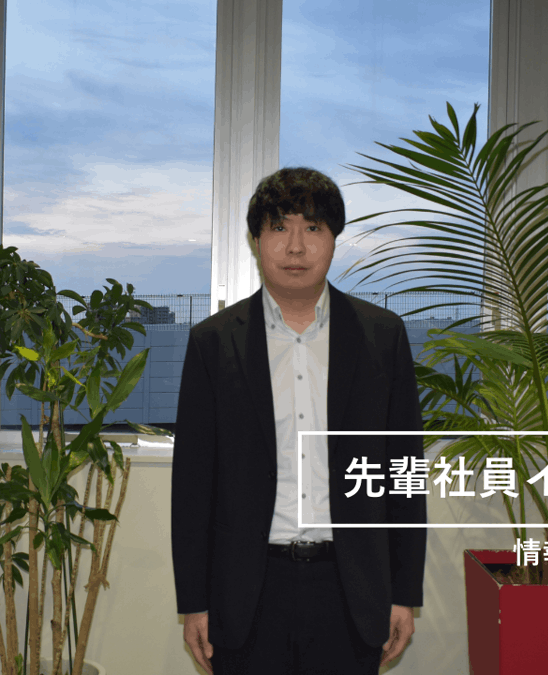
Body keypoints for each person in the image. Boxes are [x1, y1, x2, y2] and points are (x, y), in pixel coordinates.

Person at [171, 167, 428, 674]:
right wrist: (194, 602)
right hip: (246, 592)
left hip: (351, 590)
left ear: (334, 239)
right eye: (278, 227)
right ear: (256, 240)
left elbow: (404, 470)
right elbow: (193, 485)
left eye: (312, 228)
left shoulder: (382, 335)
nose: (295, 247)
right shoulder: (213, 342)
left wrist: (404, 592)